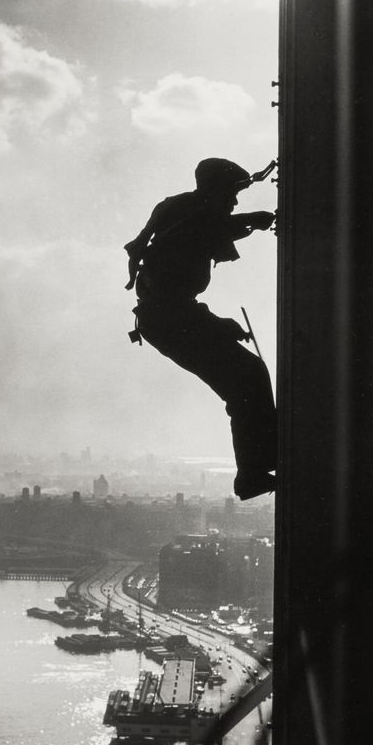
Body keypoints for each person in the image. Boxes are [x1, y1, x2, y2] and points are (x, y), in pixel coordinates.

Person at [124, 158, 277, 501]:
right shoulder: (190, 217)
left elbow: (209, 229)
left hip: (169, 321)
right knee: (247, 378)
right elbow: (208, 229)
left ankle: (261, 463)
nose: (233, 203)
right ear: (215, 191)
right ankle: (255, 469)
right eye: (231, 195)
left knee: (247, 377)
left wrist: (216, 324)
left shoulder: (181, 213)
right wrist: (252, 220)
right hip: (172, 321)